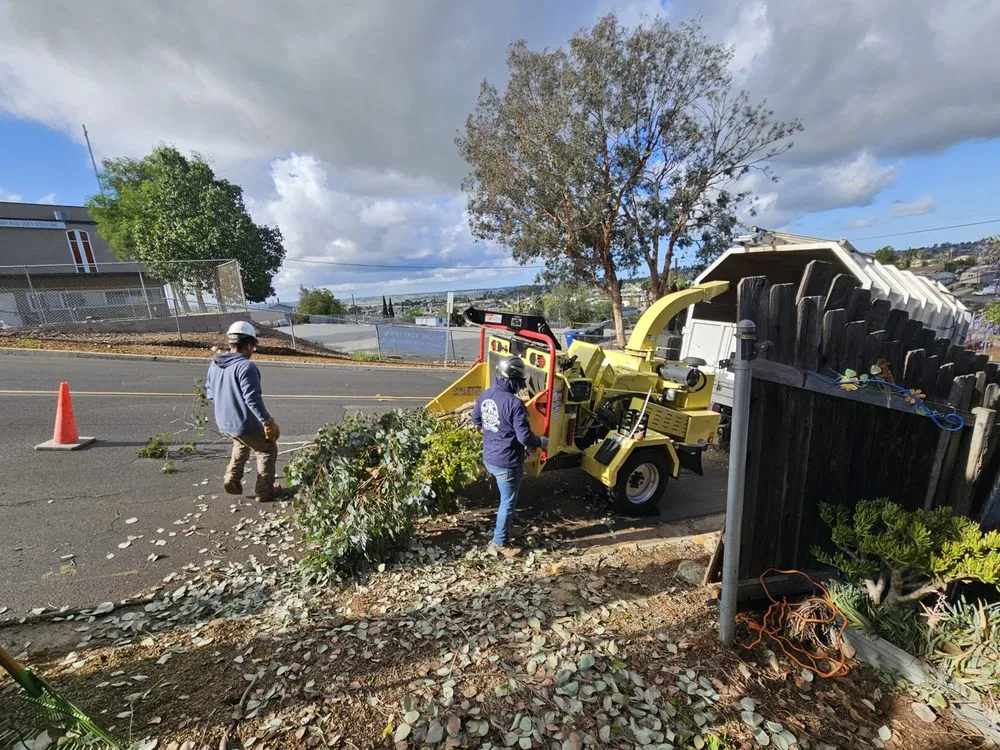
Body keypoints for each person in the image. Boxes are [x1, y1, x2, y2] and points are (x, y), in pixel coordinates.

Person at [471, 356, 548, 557]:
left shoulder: (486, 395)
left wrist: (493, 431)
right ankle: (499, 543)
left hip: (489, 457)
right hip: (507, 462)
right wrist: (541, 441)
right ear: (509, 379)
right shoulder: (514, 404)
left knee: (506, 499)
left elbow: (476, 419)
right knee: (508, 501)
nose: (521, 385)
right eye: (519, 381)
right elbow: (525, 438)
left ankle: (505, 529)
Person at [205, 321, 285, 502]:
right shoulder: (246, 367)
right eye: (253, 346)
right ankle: (265, 491)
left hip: (225, 422)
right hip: (244, 423)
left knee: (241, 443)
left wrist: (227, 409)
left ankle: (231, 478)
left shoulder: (215, 364)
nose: (254, 350)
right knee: (267, 449)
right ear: (248, 345)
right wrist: (267, 421)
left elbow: (210, 393)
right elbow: (252, 399)